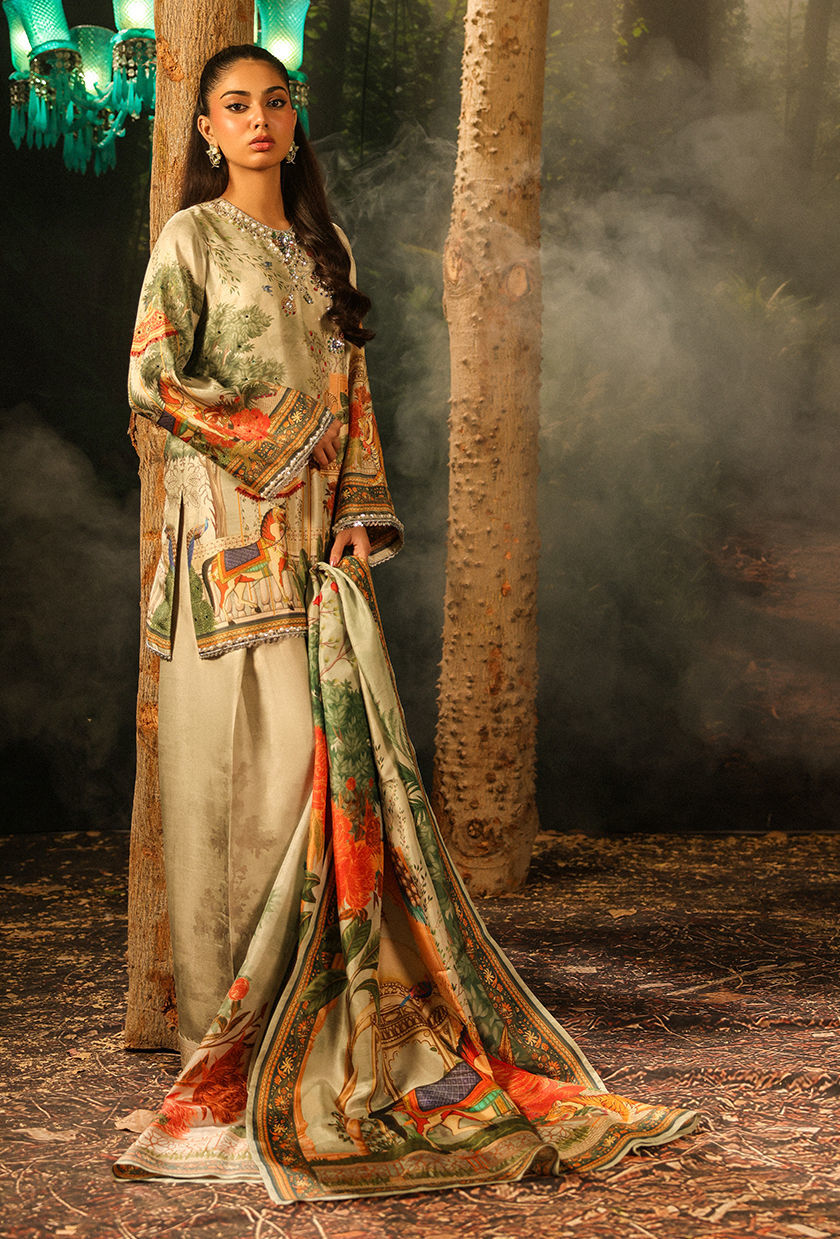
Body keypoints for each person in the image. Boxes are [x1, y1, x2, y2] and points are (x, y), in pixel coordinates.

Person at [114, 45, 698, 1202]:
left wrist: (353, 514)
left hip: (316, 564)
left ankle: (331, 1034)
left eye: (275, 101)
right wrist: (278, 447)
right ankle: (226, 1058)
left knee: (313, 792)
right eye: (234, 106)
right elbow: (151, 381)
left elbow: (358, 401)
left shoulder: (327, 248)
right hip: (220, 562)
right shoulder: (191, 241)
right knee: (226, 801)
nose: (259, 120)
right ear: (207, 133)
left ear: (294, 120)